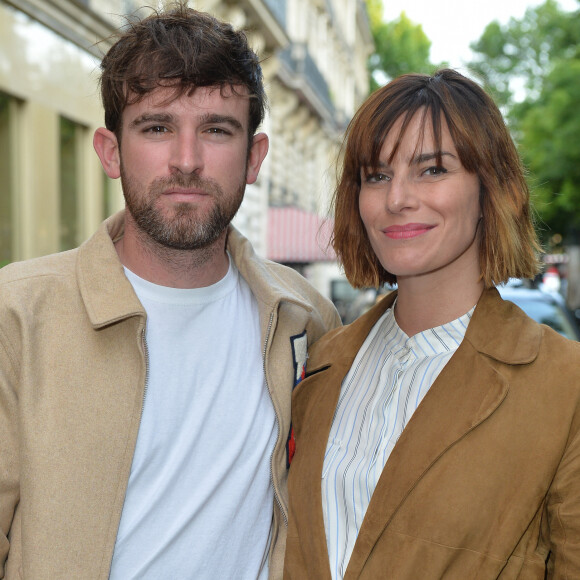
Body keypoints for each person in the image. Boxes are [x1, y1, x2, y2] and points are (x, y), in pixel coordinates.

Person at [0, 5, 341, 579]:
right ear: (110, 151)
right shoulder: (16, 314)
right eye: (157, 127)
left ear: (254, 158)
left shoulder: (304, 318)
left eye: (216, 129)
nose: (187, 161)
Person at [284, 69, 580, 579]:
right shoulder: (321, 361)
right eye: (376, 175)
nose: (397, 197)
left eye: (432, 170)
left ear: (493, 190)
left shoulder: (564, 384)